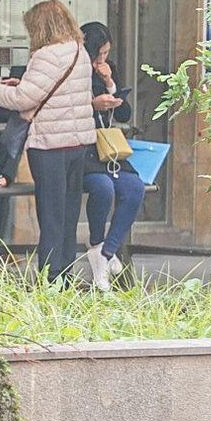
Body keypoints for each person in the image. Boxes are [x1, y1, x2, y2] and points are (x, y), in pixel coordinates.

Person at [0, 0, 94, 284]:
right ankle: (65, 275)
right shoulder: (79, 51)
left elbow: (25, 98)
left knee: (50, 215)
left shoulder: (47, 55)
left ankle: (49, 280)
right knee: (69, 214)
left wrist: (0, 90)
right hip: (78, 143)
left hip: (50, 145)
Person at [80, 21, 143, 291]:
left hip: (108, 148)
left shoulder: (108, 70)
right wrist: (92, 104)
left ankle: (106, 252)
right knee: (103, 188)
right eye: (100, 54)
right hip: (83, 148)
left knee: (134, 187)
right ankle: (96, 243)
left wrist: (110, 85)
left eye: (107, 54)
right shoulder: (76, 70)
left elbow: (125, 115)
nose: (103, 59)